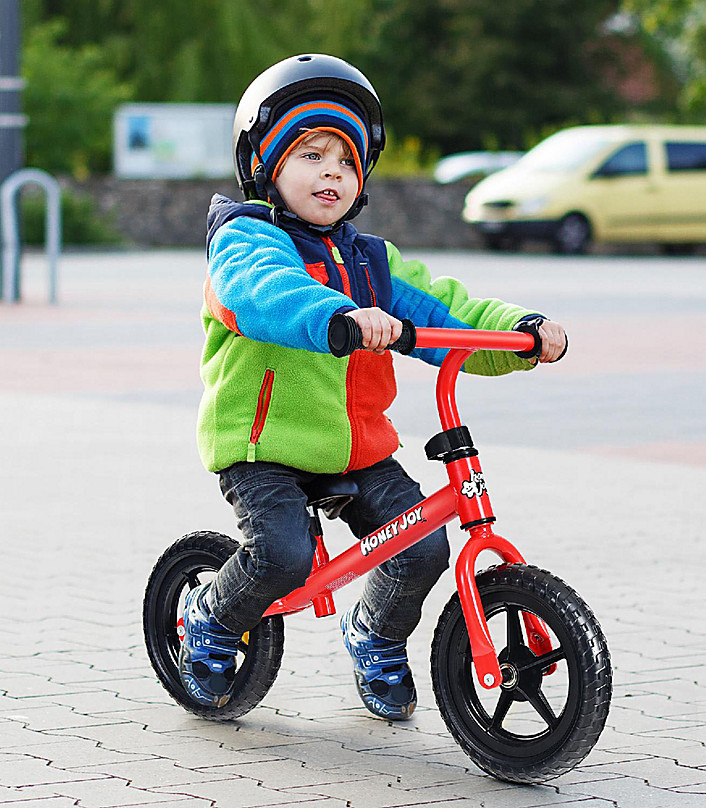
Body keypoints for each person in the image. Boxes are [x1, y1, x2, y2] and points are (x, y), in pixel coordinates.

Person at [180, 54, 567, 718]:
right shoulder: (248, 241)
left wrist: (522, 331)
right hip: (263, 445)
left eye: (346, 161)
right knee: (282, 554)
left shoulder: (373, 262)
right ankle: (211, 619)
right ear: (267, 168)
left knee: (422, 546)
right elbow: (266, 293)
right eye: (311, 154)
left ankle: (375, 635)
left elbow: (451, 313)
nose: (332, 171)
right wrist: (336, 316)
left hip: (356, 446)